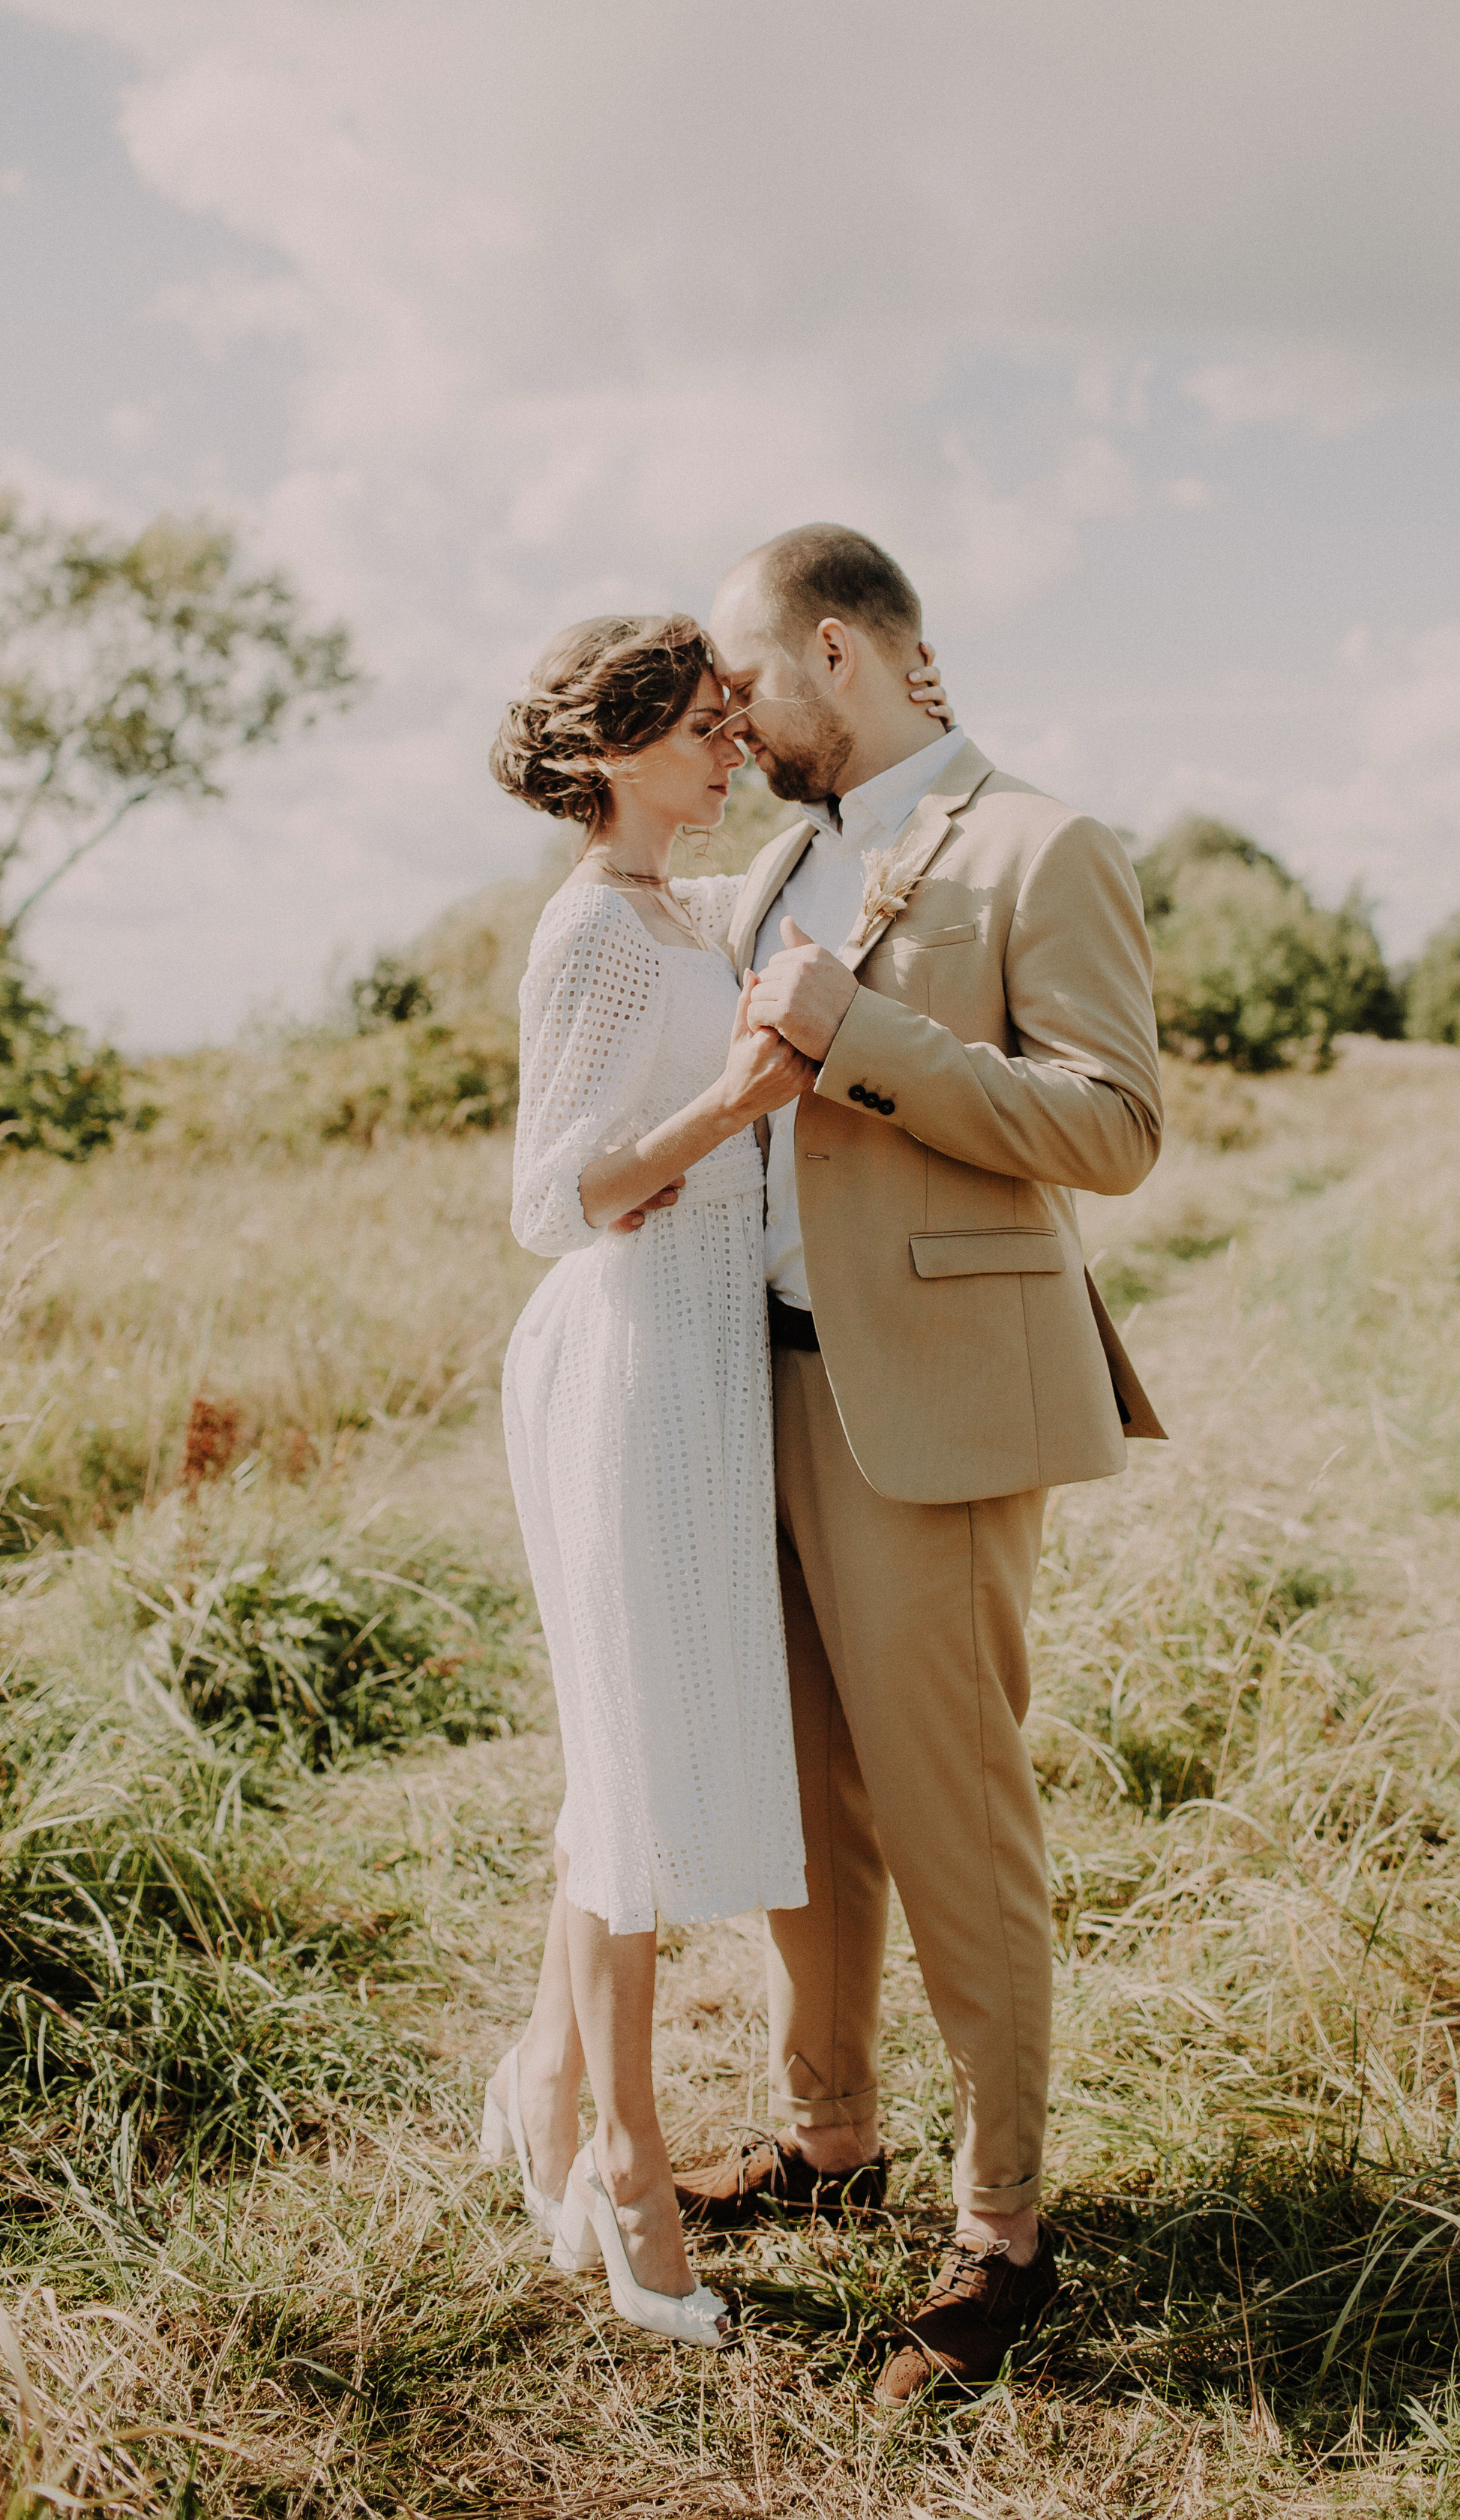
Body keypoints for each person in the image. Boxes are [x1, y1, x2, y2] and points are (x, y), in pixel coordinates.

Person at [675, 524, 1163, 2402]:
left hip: (937, 1404)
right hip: (752, 1391)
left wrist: (860, 1037)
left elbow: (1111, 1129)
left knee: (952, 1815)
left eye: (742, 676)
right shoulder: (777, 855)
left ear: (833, 652)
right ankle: (827, 2136)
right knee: (796, 1802)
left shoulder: (1041, 844)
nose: (728, 713)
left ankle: (1003, 2226)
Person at [481, 609, 953, 2351]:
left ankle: (544, 2091)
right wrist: (740, 1096)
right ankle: (625, 2163)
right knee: (623, 1797)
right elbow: (552, 1199)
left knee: (630, 1764)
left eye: (724, 717)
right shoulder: (591, 938)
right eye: (691, 725)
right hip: (621, 1365)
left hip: (700, 1369)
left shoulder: (688, 905)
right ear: (605, 753)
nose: (725, 744)